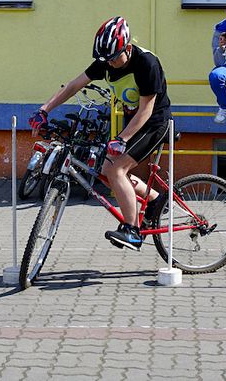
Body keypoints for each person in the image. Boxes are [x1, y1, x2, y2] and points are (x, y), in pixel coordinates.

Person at [29, 16, 172, 249]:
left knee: (116, 170)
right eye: (105, 60)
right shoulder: (106, 61)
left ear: (126, 48)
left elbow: (146, 110)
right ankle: (155, 201)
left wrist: (122, 139)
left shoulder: (147, 63)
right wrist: (44, 110)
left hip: (155, 122)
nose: (110, 64)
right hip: (133, 122)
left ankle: (133, 231)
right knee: (105, 171)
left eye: (114, 58)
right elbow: (74, 85)